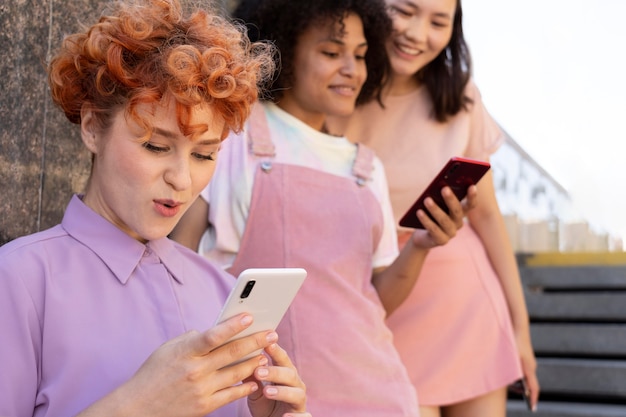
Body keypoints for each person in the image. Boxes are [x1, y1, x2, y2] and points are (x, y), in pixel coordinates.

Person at [0, 1, 311, 416]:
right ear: (93, 127)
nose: (182, 179)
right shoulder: (19, 280)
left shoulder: (220, 291)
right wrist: (138, 405)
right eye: (155, 146)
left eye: (204, 155)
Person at [170, 0, 476, 415]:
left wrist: (420, 245)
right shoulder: (231, 138)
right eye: (332, 53)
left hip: (380, 396)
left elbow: (374, 299)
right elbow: (176, 267)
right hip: (273, 401)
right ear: (282, 50)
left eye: (362, 56)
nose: (352, 69)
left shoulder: (366, 167)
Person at [327, 0, 540, 416]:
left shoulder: (460, 98)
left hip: (467, 306)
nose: (418, 33)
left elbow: (488, 217)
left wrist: (521, 329)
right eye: (405, 11)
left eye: (439, 21)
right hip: (384, 304)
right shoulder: (338, 92)